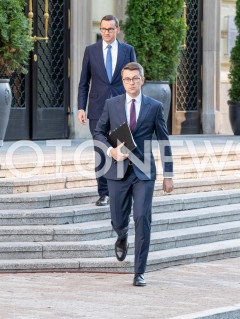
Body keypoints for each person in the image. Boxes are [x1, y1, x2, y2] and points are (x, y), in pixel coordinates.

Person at [93, 62, 174, 286]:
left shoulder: (155, 106)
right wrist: (111, 150)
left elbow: (164, 141)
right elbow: (98, 132)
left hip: (144, 172)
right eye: (127, 79)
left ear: (142, 80)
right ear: (123, 81)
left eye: (135, 79)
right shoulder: (111, 104)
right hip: (117, 170)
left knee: (142, 217)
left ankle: (139, 271)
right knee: (119, 219)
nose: (131, 83)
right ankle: (121, 235)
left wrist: (169, 174)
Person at [77, 15, 136, 207]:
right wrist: (81, 107)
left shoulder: (128, 51)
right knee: (102, 150)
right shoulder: (91, 51)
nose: (106, 33)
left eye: (110, 29)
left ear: (117, 30)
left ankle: (121, 189)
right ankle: (104, 193)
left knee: (123, 148)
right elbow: (83, 82)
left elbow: (134, 81)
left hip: (121, 108)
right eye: (103, 29)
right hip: (97, 109)